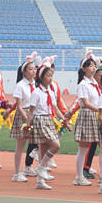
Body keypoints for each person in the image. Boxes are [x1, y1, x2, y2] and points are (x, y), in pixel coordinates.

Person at [28, 58, 69, 190]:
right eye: (48, 75)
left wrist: (64, 122)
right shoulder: (36, 92)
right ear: (41, 77)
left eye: (51, 75)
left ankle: (40, 181)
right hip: (40, 120)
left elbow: (56, 109)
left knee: (43, 151)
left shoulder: (50, 92)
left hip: (49, 120)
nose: (51, 78)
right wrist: (27, 125)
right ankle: (41, 168)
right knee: (55, 145)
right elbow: (31, 111)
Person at [72, 52, 102, 186]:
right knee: (83, 148)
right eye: (90, 66)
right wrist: (99, 110)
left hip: (94, 115)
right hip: (87, 115)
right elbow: (85, 102)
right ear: (84, 68)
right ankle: (79, 176)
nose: (93, 68)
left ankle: (100, 175)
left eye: (94, 66)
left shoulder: (94, 82)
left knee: (95, 146)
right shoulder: (83, 84)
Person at [9, 54, 38, 182]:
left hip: (34, 114)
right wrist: (27, 120)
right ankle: (17, 173)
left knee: (41, 141)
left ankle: (31, 167)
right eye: (31, 69)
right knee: (20, 147)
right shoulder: (20, 85)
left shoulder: (35, 84)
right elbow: (19, 106)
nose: (34, 71)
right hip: (23, 115)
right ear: (24, 71)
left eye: (34, 69)